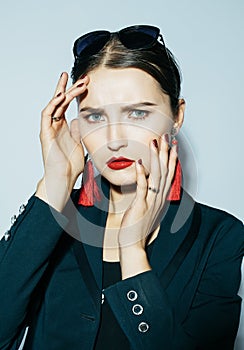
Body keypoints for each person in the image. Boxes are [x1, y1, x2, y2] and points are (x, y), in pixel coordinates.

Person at [0, 25, 243, 350]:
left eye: (138, 113)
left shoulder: (219, 237)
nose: (114, 140)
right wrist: (56, 181)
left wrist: (132, 251)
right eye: (95, 117)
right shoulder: (52, 221)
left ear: (177, 115)